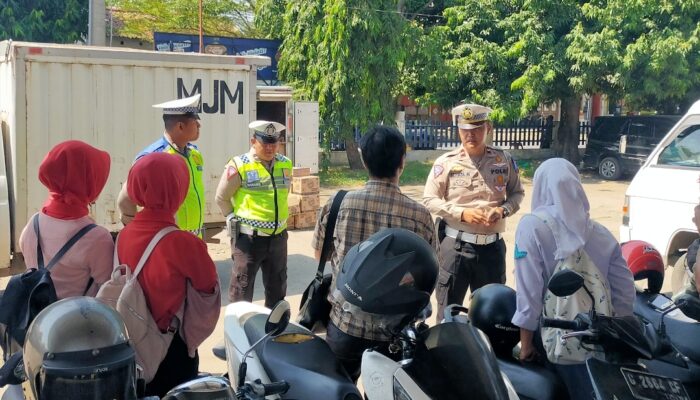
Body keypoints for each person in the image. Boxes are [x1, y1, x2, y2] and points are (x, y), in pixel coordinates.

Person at [312, 125, 435, 381]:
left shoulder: (338, 203)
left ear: (364, 159)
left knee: (339, 390)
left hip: (345, 325)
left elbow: (319, 255)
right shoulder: (420, 216)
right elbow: (427, 274)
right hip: (394, 336)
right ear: (402, 161)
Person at [510, 158, 635, 400]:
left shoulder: (532, 227)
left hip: (556, 340)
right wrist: (616, 338)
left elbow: (529, 293)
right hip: (600, 342)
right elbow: (624, 290)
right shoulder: (601, 234)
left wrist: (525, 345)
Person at [117, 152, 220, 397]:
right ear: (179, 189)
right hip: (170, 349)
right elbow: (208, 291)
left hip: (130, 345)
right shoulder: (183, 242)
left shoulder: (123, 235)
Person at [423, 103, 525, 321]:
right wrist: (461, 213)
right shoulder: (446, 162)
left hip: (491, 249)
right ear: (458, 130)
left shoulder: (503, 160)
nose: (471, 135)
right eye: (465, 130)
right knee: (447, 315)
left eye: (477, 129)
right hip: (455, 248)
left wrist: (503, 210)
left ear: (487, 127)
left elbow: (517, 193)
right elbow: (429, 199)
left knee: (491, 317)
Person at [19, 140, 113, 298]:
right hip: (76, 320)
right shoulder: (97, 238)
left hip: (36, 317)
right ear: (89, 181)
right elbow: (107, 286)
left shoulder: (33, 224)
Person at [214, 120, 292, 307]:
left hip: (278, 240)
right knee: (242, 292)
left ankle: (273, 331)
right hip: (249, 242)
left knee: (277, 291)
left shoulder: (286, 164)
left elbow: (283, 194)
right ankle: (239, 332)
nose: (270, 148)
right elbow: (221, 197)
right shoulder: (240, 165)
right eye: (265, 143)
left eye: (274, 143)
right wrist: (231, 217)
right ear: (253, 141)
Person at [118, 93, 205, 237]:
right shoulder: (153, 158)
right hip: (164, 240)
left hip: (194, 238)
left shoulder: (194, 153)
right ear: (180, 126)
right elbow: (126, 199)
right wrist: (138, 231)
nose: (199, 125)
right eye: (195, 121)